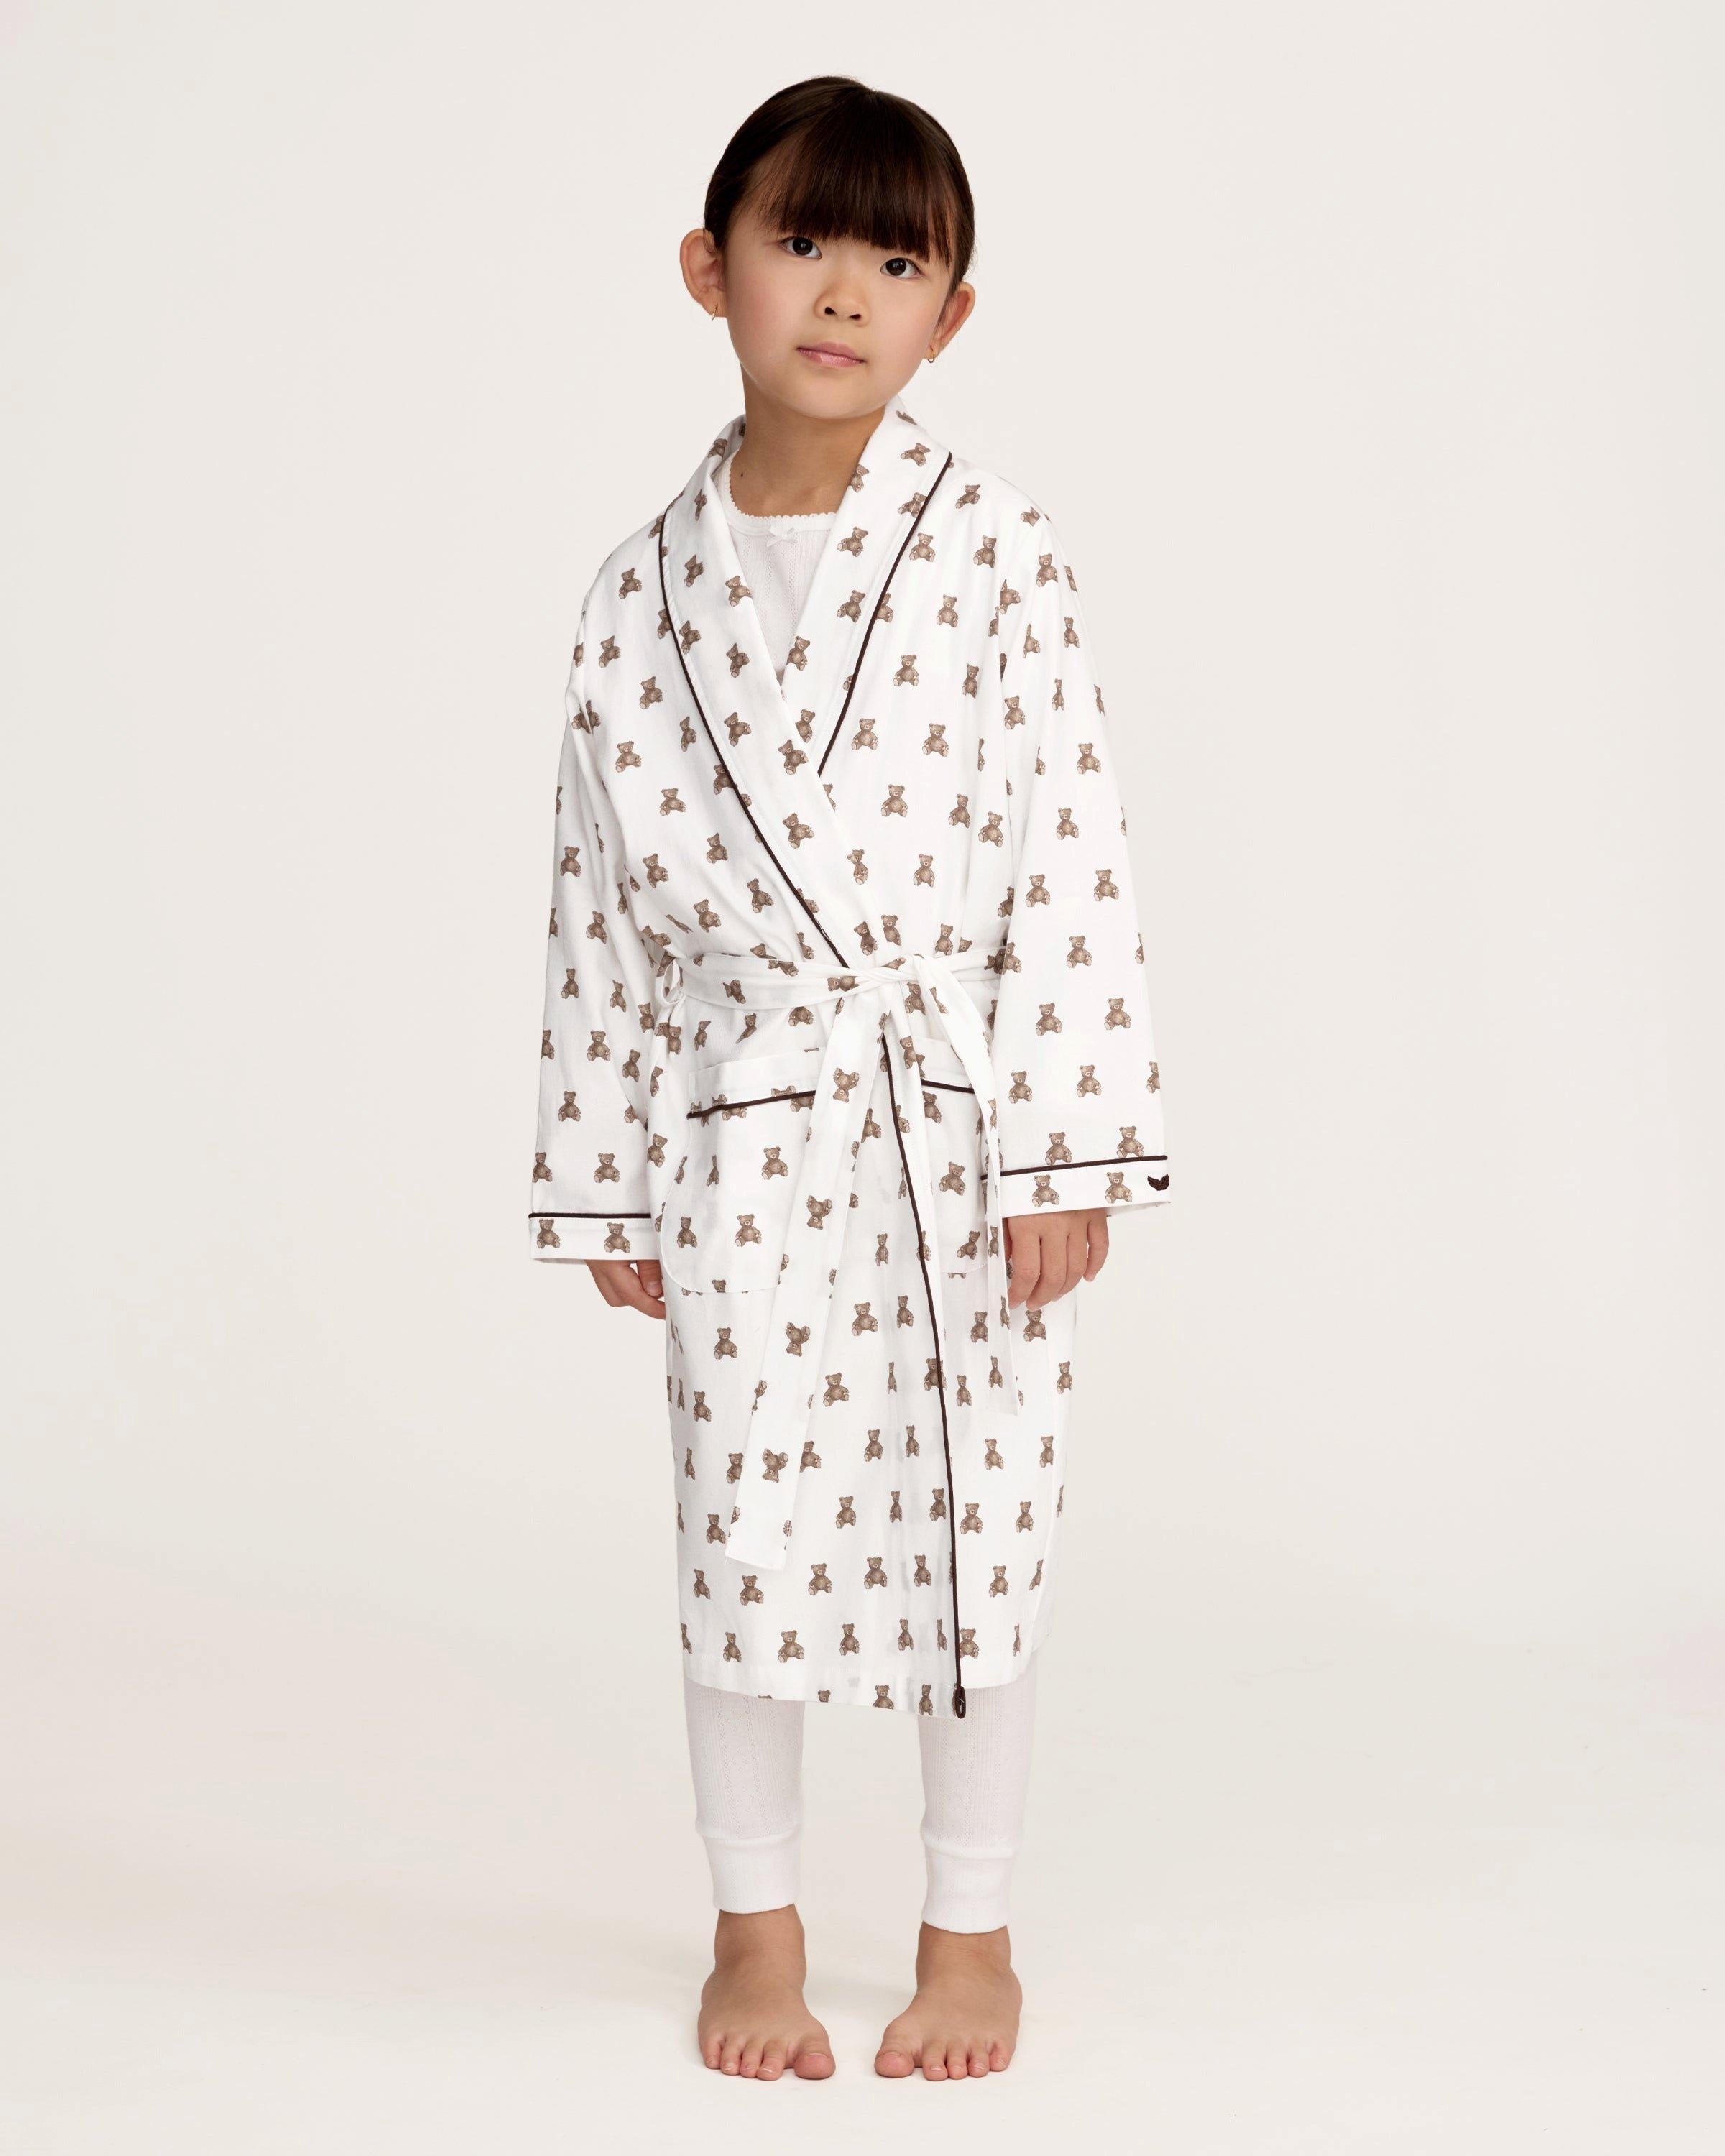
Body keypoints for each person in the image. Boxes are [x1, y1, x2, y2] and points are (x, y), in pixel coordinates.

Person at [527, 75, 1172, 2082]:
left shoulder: (996, 552)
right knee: (742, 1527)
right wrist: (607, 1174)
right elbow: (597, 899)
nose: (842, 293)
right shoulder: (636, 591)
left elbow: (1070, 846)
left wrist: (1067, 1146)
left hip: (959, 1117)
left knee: (983, 1528)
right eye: (802, 241)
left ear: (949, 314)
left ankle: (970, 1930)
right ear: (708, 267)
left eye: (896, 261)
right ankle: (758, 1927)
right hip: (749, 1123)